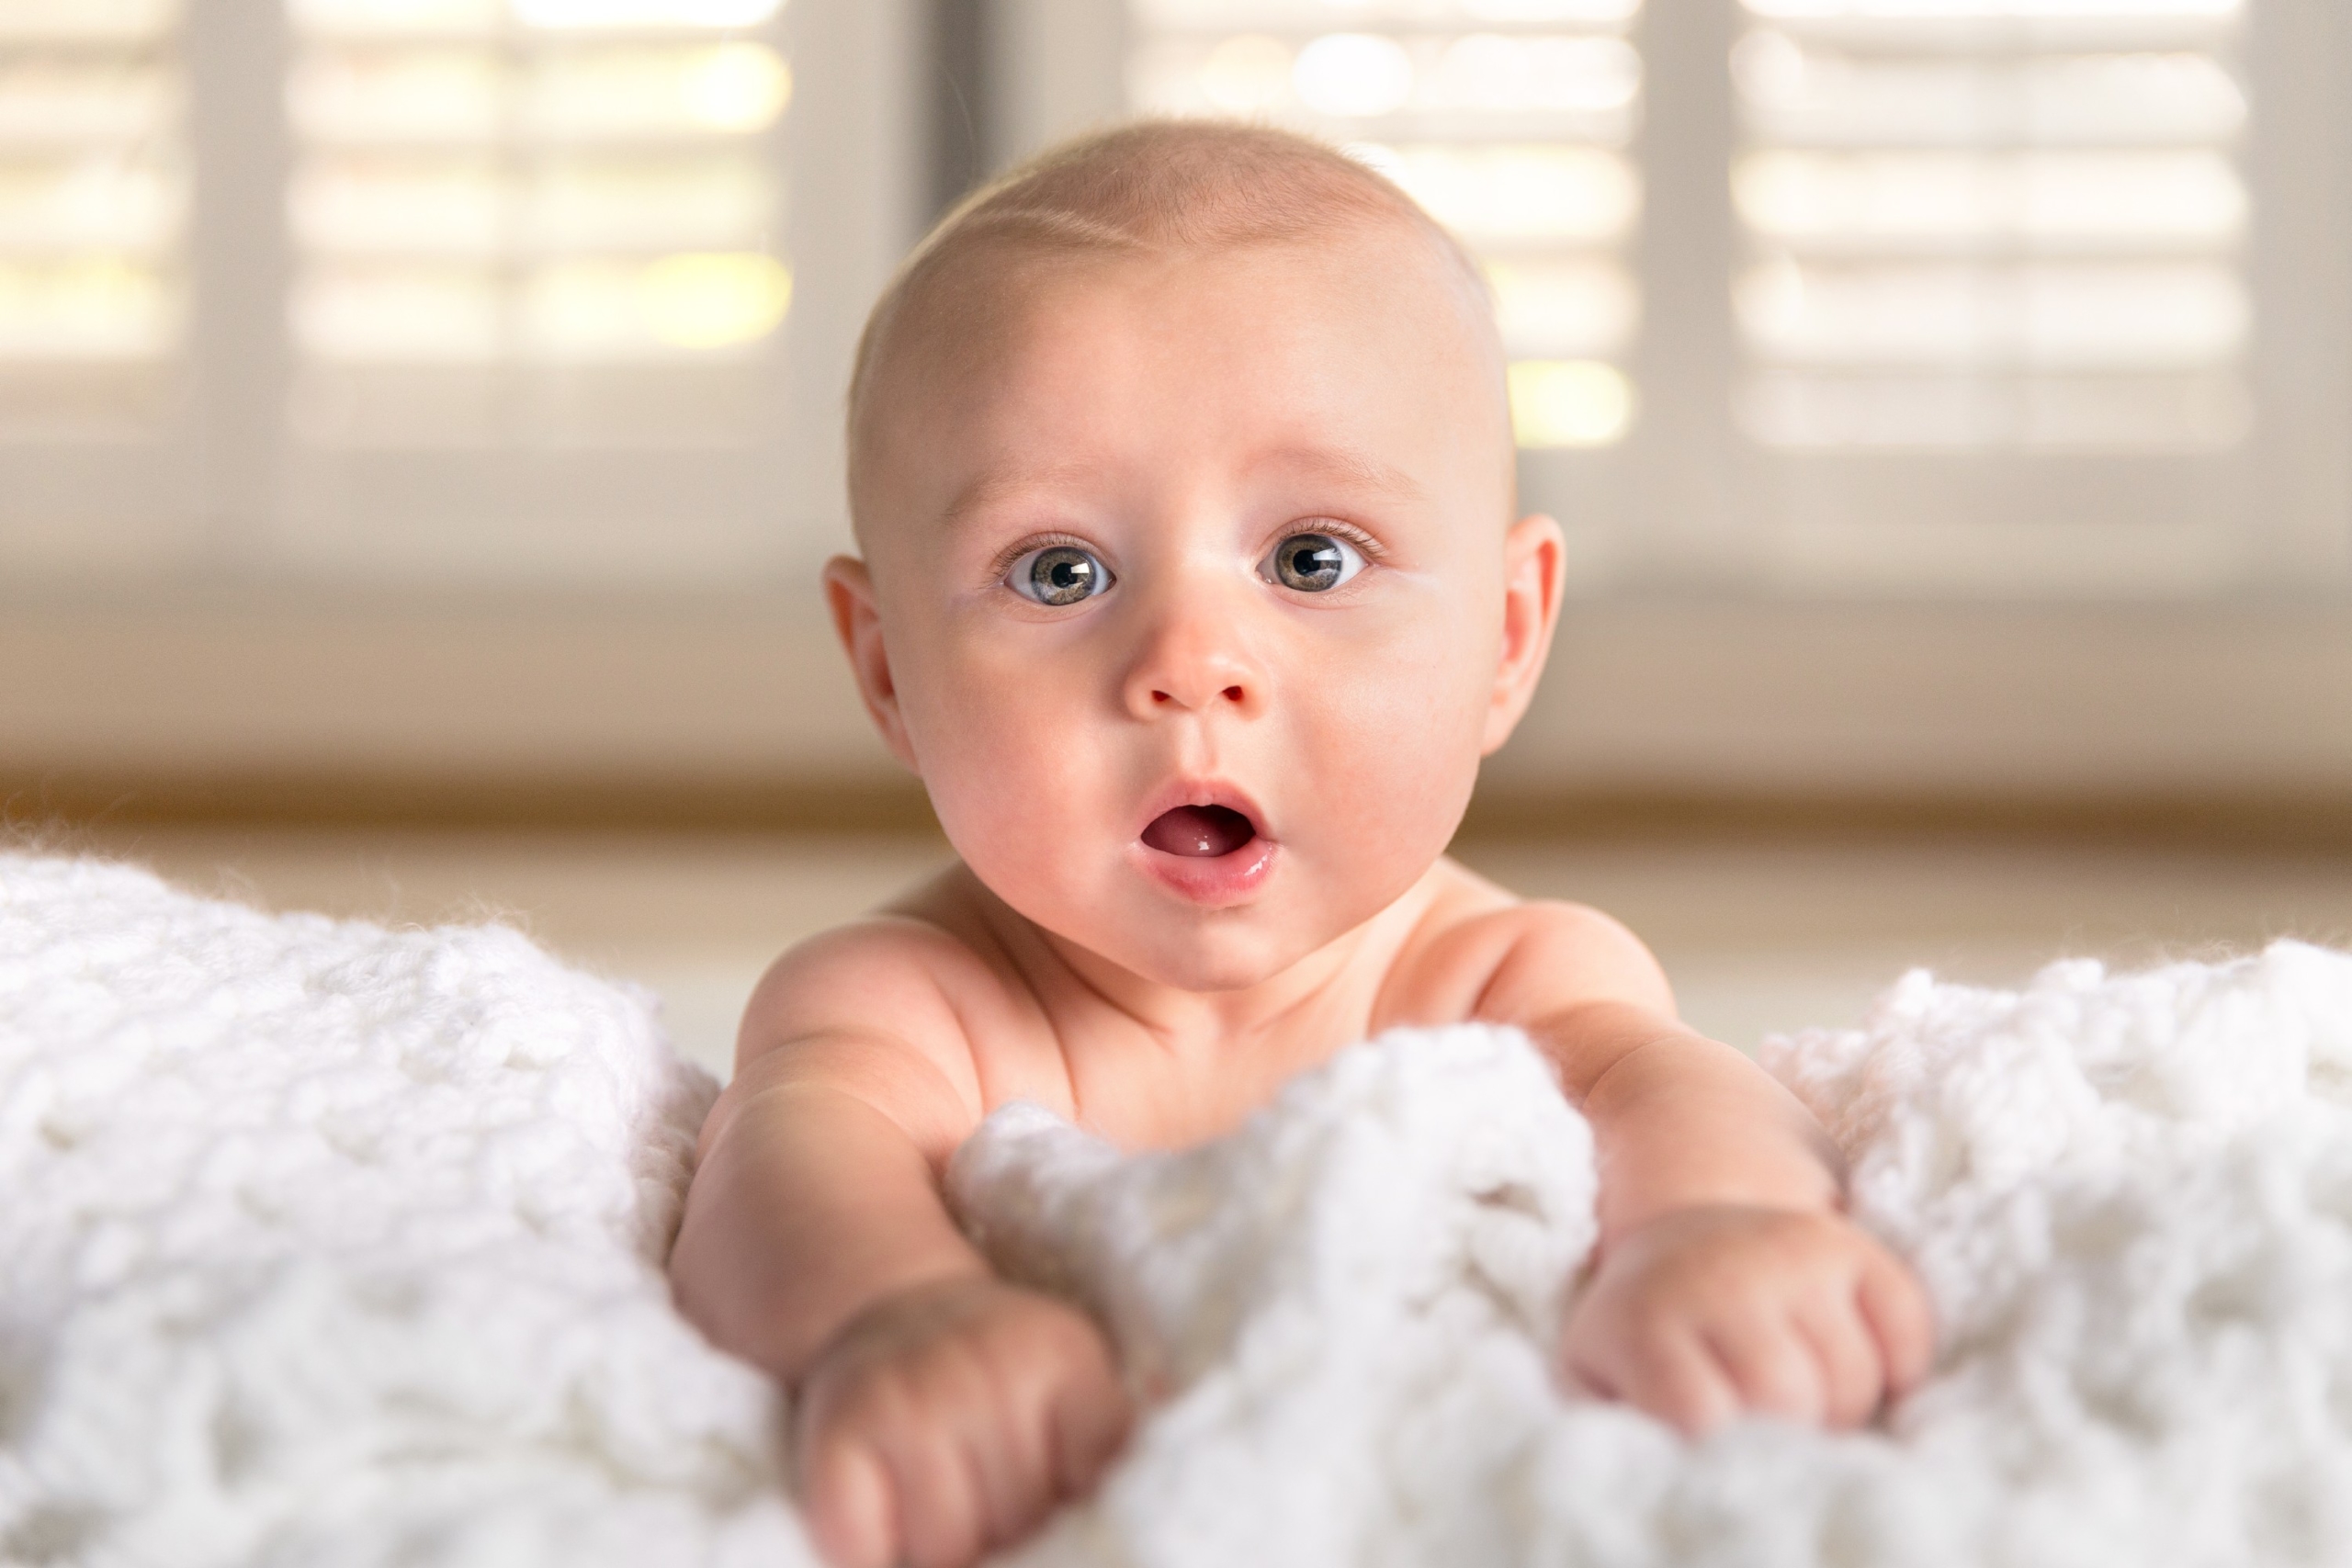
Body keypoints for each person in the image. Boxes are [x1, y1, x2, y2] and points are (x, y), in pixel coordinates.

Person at [668, 119, 1934, 1568]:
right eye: (1059, 570)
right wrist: (892, 1315)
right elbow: (778, 1178)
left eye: (1311, 559)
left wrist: (1711, 1228)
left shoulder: (1507, 973)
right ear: (888, 669)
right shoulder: (897, 1002)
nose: (1192, 662)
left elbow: (1675, 1096)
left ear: (1507, 638)